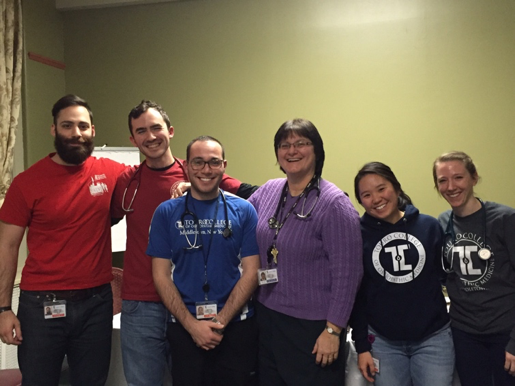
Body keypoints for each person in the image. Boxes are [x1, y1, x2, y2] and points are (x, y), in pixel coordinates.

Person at [111, 100, 257, 386]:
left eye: (156, 128)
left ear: (171, 131)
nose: (150, 136)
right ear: (132, 139)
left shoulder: (198, 170)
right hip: (143, 302)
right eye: (141, 131)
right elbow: (95, 220)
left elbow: (255, 194)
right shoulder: (127, 183)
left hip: (194, 303)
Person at [0, 94, 126, 385]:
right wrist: (4, 309)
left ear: (92, 131)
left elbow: (155, 176)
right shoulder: (26, 183)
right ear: (54, 130)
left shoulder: (111, 173)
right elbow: (7, 248)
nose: (76, 133)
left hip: (96, 303)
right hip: (40, 306)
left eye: (82, 126)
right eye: (67, 125)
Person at [247, 118, 363, 385]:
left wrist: (333, 330)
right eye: (284, 145)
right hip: (267, 317)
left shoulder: (334, 204)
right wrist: (193, 192)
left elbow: (349, 275)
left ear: (317, 150)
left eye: (301, 143)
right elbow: (237, 215)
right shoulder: (269, 190)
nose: (292, 150)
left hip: (312, 328)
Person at [149, 136, 260, 386]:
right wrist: (192, 326)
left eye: (213, 162)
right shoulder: (166, 213)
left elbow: (251, 272)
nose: (206, 170)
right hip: (185, 327)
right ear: (186, 166)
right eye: (198, 162)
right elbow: (161, 275)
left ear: (224, 165)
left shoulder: (244, 210)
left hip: (236, 326)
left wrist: (220, 321)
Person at [350, 161, 454, 386]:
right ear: (360, 201)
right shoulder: (357, 236)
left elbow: (448, 279)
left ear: (396, 187)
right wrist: (362, 346)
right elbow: (356, 295)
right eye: (366, 195)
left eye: (381, 189)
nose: (376, 199)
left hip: (434, 339)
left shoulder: (429, 226)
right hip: (382, 342)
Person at [433, 151, 515, 386]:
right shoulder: (442, 223)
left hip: (505, 331)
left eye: (458, 177)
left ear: (474, 178)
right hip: (464, 333)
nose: (450, 186)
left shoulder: (504, 219)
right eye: (442, 180)